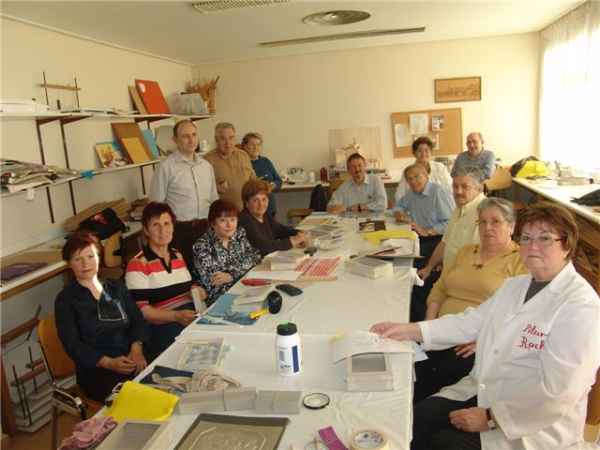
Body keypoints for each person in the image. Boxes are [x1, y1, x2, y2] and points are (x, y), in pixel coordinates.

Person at [371, 203, 600, 450]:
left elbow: (560, 394)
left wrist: (491, 417)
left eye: (545, 238)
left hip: (532, 423)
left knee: (443, 444)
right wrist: (409, 330)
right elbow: (470, 322)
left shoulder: (580, 306)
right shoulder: (516, 286)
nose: (533, 246)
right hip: (486, 390)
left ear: (566, 245)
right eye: (526, 238)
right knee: (417, 417)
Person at [414, 198, 527, 402]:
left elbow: (520, 312)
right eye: (482, 222)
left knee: (431, 380)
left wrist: (483, 340)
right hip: (440, 330)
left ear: (511, 226)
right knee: (410, 366)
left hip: (472, 341)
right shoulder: (465, 252)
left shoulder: (519, 260)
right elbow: (439, 289)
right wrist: (429, 325)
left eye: (495, 222)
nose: (487, 228)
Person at [55, 232, 149, 402]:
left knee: (162, 383)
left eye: (90, 256)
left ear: (98, 257)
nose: (85, 263)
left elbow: (137, 319)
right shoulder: (66, 300)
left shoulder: (115, 287)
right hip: (97, 370)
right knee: (134, 400)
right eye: (78, 259)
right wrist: (109, 363)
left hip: (130, 356)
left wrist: (136, 350)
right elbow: (73, 345)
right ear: (69, 264)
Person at [125, 202, 206, 361]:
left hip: (188, 318)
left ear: (173, 226)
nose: (163, 230)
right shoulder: (137, 264)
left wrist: (196, 291)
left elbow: (186, 287)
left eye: (166, 223)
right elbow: (142, 312)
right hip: (162, 328)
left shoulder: (177, 255)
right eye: (156, 225)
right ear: (146, 230)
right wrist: (175, 316)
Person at [149, 119, 218, 267]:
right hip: (179, 231)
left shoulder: (206, 166)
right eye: (185, 136)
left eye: (194, 135)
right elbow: (156, 206)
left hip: (205, 227)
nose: (191, 140)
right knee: (185, 273)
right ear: (175, 140)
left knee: (208, 270)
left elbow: (213, 199)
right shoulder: (166, 167)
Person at [417, 167, 487, 281]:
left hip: (464, 281)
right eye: (455, 186)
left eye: (465, 187)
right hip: (447, 274)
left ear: (479, 188)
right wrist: (428, 268)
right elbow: (444, 243)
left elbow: (478, 259)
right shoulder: (461, 207)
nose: (458, 191)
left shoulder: (484, 214)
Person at [192, 199, 261, 305]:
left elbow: (255, 256)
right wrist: (243, 268)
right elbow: (214, 284)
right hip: (220, 300)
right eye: (223, 220)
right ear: (213, 223)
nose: (229, 225)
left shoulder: (239, 234)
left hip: (246, 289)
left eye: (233, 220)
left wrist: (231, 275)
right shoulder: (202, 246)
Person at [238, 179, 307, 257]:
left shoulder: (264, 215)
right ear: (247, 203)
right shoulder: (245, 220)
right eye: (255, 200)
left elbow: (280, 230)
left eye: (264, 199)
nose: (261, 204)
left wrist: (299, 233)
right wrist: (293, 241)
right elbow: (264, 246)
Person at [394, 163, 455, 238]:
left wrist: (428, 231)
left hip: (437, 237)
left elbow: (452, 222)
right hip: (417, 233)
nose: (413, 181)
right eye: (409, 179)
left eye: (416, 177)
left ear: (426, 176)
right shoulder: (412, 192)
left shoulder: (439, 192)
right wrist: (398, 212)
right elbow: (400, 205)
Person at [204, 122, 255, 211]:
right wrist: (216, 188)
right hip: (223, 216)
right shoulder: (207, 160)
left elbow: (253, 180)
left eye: (231, 138)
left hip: (247, 212)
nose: (228, 143)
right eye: (223, 139)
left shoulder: (244, 155)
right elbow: (202, 191)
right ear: (216, 140)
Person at [394, 136, 452, 203]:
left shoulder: (440, 168)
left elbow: (450, 188)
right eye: (419, 151)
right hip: (417, 206)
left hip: (439, 203)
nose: (423, 154)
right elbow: (399, 195)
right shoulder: (409, 171)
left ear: (431, 152)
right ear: (414, 154)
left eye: (426, 150)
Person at [241, 132, 283, 218]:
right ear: (245, 146)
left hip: (269, 206)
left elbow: (279, 181)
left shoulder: (265, 161)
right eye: (252, 145)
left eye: (258, 144)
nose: (256, 147)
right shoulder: (242, 163)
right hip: (253, 209)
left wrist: (272, 185)